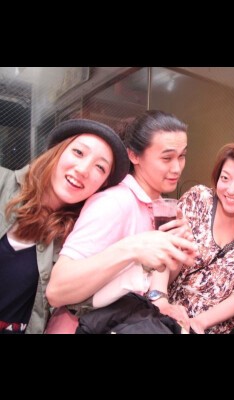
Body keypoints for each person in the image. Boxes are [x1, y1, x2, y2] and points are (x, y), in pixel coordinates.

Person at [46, 110, 198, 332]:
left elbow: (151, 279)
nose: (177, 168)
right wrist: (132, 248)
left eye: (182, 156)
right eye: (167, 158)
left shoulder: (160, 206)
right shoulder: (114, 202)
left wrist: (176, 255)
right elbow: (57, 290)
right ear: (134, 156)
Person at [0, 118, 130, 334]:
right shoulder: (3, 183)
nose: (83, 170)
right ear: (57, 151)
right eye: (78, 152)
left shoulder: (78, 239)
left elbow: (85, 302)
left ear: (104, 183)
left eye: (100, 167)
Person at [153, 143, 234, 334]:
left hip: (209, 328)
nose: (231, 190)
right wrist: (161, 301)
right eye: (225, 178)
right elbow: (165, 255)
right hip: (165, 318)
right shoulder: (199, 199)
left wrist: (199, 323)